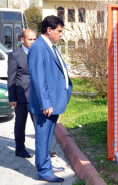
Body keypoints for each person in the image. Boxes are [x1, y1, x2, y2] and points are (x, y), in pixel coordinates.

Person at [28, 15, 72, 183]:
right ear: (49, 30)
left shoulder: (49, 46)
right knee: (42, 137)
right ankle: (44, 171)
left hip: (52, 103)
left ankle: (46, 164)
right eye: (59, 31)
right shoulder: (39, 47)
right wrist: (45, 103)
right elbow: (38, 78)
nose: (61, 34)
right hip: (45, 105)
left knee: (47, 138)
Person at [8, 29, 36, 159]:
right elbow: (11, 78)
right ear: (22, 40)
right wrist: (12, 98)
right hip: (21, 96)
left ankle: (43, 150)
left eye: (34, 39)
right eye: (30, 39)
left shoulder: (37, 52)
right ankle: (20, 149)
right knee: (20, 124)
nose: (33, 42)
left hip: (36, 96)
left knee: (39, 124)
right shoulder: (15, 55)